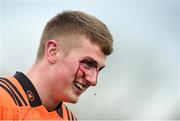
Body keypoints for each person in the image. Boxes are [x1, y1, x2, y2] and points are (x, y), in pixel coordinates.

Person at [0, 10, 113, 120]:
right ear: (53, 52)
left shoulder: (69, 118)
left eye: (99, 69)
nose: (93, 81)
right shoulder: (3, 101)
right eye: (88, 63)